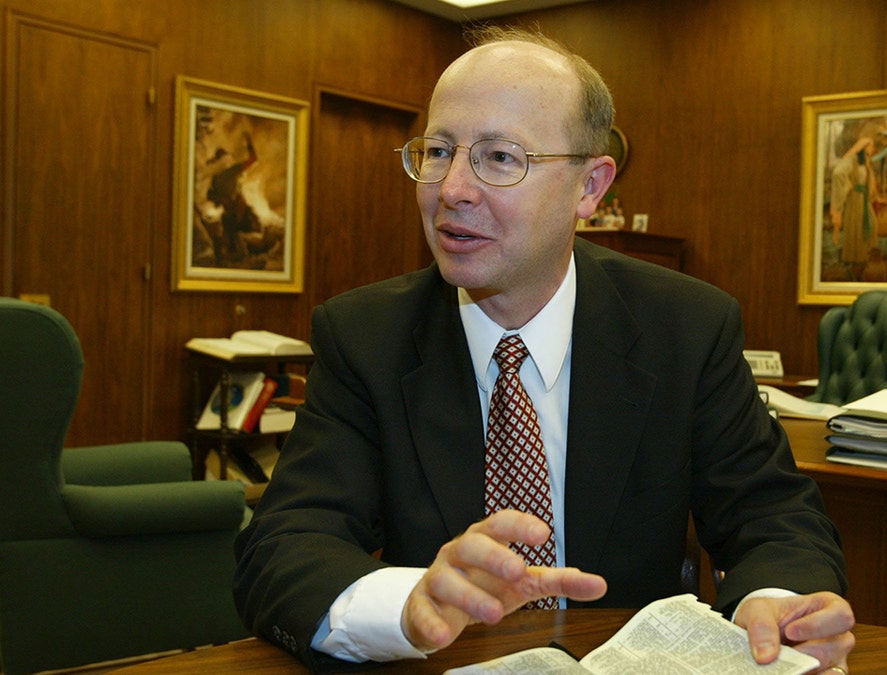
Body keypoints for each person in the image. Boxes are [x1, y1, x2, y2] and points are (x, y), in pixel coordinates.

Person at [233, 26, 854, 674]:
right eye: (438, 151)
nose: (452, 188)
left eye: (500, 158)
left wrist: (779, 605)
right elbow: (282, 545)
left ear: (590, 187)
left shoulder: (687, 328)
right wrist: (406, 606)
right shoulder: (365, 336)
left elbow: (772, 515)